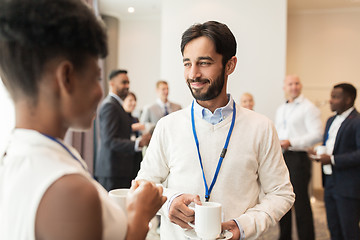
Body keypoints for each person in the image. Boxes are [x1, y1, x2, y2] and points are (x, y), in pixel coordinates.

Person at [0, 0, 166, 240]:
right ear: (66, 77)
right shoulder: (68, 190)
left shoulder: (14, 156)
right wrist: (140, 215)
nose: (100, 93)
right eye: (96, 78)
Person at [136, 20, 295, 240]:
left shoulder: (261, 127)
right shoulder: (167, 126)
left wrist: (244, 225)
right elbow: (144, 184)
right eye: (187, 63)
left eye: (204, 63)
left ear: (229, 65)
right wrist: (170, 201)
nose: (193, 74)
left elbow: (281, 193)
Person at [308, 83, 360, 240]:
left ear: (348, 100)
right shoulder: (330, 120)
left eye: (335, 97)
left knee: (349, 231)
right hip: (329, 182)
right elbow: (331, 146)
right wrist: (319, 152)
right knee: (333, 228)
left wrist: (332, 159)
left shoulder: (357, 122)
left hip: (347, 186)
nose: (330, 100)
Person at [275, 75, 323, 240]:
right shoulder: (281, 109)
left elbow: (318, 134)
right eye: (290, 84)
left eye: (296, 83)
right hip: (282, 158)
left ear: (300, 86)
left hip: (299, 158)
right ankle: (284, 237)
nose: (294, 87)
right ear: (284, 87)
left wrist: (292, 142)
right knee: (282, 201)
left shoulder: (308, 108)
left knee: (301, 203)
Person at [95, 70, 151, 191]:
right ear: (112, 84)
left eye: (128, 83)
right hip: (112, 172)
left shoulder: (118, 106)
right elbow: (109, 141)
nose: (127, 86)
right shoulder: (110, 106)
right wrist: (139, 143)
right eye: (123, 82)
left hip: (121, 171)